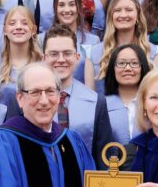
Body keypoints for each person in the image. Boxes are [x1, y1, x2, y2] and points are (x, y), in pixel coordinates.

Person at [42, 24, 113, 165]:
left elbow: (104, 158)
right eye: (54, 54)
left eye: (67, 53)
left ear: (77, 57)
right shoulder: (29, 100)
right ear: (43, 58)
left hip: (83, 181)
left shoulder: (96, 102)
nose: (61, 59)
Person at [84, 0, 158, 93]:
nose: (123, 15)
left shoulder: (154, 52)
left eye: (129, 10)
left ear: (138, 16)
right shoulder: (92, 53)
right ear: (111, 16)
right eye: (117, 10)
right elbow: (90, 99)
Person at [0, 6, 43, 106]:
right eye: (12, 23)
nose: (18, 27)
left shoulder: (43, 63)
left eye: (25, 23)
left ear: (33, 30)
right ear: (5, 30)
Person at [103, 44, 151, 144]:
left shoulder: (153, 103)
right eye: (121, 63)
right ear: (113, 68)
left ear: (142, 67)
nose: (128, 68)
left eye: (134, 63)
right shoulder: (101, 105)